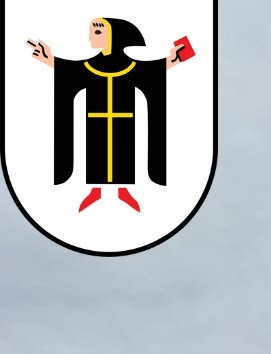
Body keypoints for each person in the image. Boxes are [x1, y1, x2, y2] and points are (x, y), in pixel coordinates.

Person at [28, 18, 189, 212]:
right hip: (96, 121)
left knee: (124, 154)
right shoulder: (89, 67)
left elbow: (153, 70)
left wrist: (180, 54)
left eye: (97, 33)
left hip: (124, 120)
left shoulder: (131, 68)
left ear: (114, 37)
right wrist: (48, 58)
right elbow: (71, 71)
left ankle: (123, 190)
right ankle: (95, 190)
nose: (90, 38)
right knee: (96, 153)